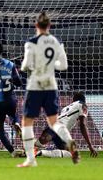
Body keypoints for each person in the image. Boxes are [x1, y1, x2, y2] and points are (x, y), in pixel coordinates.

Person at [18, 11, 78, 167]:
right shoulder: (56, 41)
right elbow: (63, 66)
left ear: (36, 25)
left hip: (35, 86)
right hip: (51, 86)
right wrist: (51, 65)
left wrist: (28, 66)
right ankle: (70, 142)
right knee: (54, 121)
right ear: (49, 25)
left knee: (27, 123)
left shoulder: (31, 42)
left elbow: (25, 66)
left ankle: (31, 159)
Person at [34, 92, 98, 158]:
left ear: (73, 100)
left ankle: (38, 151)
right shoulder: (83, 105)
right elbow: (82, 124)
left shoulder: (65, 108)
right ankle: (37, 151)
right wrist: (90, 145)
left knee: (69, 152)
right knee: (71, 153)